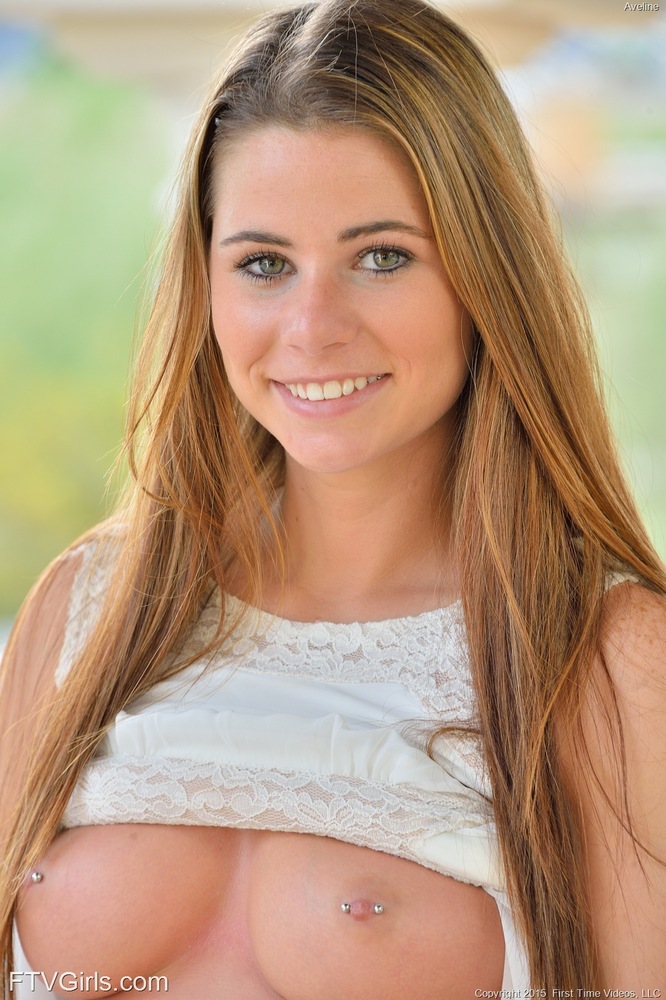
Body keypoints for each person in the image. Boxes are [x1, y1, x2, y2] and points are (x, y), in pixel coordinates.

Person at [1, 0, 665, 994]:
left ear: (488, 276)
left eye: (381, 257)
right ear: (207, 284)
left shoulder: (609, 659)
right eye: (264, 264)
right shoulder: (89, 609)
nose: (312, 327)